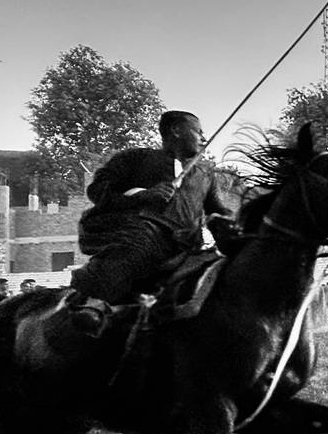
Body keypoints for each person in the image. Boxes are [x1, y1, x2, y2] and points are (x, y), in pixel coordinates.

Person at [64, 110, 237, 336]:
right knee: (139, 244)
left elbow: (217, 210)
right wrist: (143, 196)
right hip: (142, 236)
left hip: (187, 248)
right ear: (176, 130)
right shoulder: (136, 158)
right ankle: (93, 302)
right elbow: (97, 190)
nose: (203, 138)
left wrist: (228, 220)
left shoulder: (205, 174)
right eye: (198, 131)